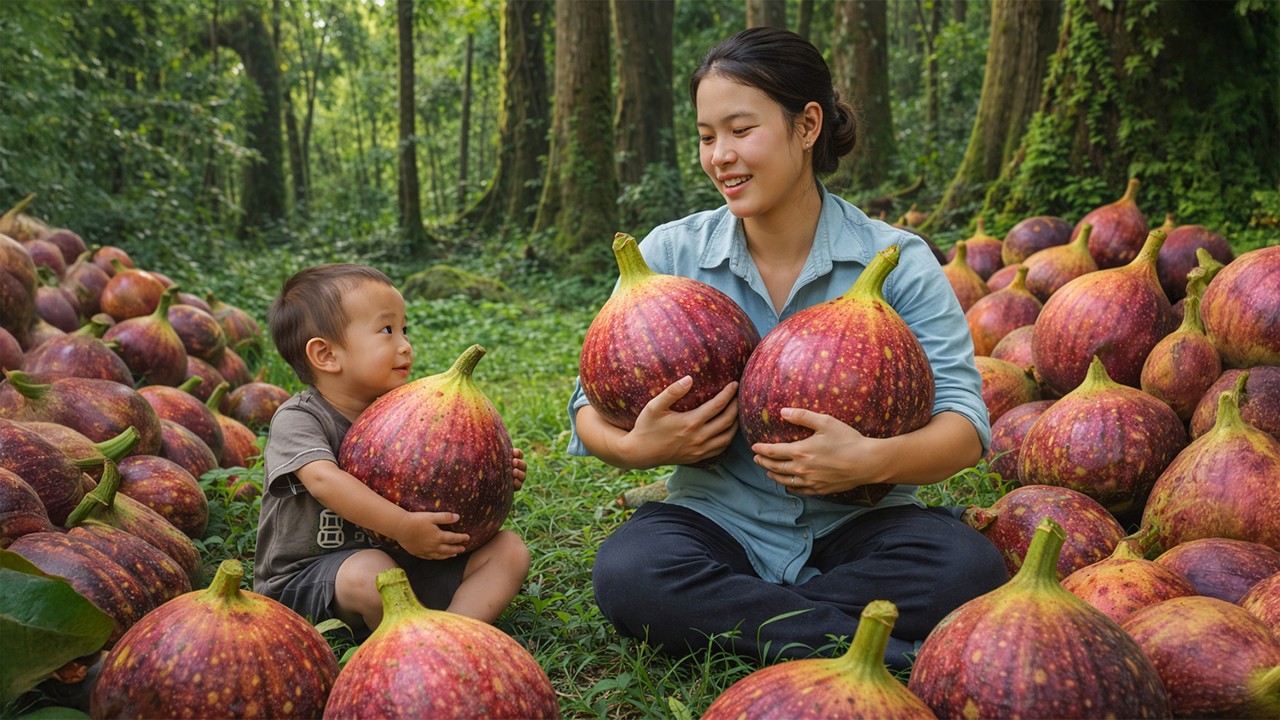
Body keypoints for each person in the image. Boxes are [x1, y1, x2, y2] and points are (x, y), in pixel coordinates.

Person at [568, 27, 1007, 671]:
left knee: (964, 567)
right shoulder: (669, 257)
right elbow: (588, 407)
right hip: (716, 520)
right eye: (706, 135)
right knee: (631, 573)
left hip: (861, 524)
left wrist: (868, 461)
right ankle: (870, 645)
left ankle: (762, 622)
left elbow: (964, 427)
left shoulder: (900, 262)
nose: (720, 155)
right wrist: (637, 448)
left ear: (807, 125)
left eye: (741, 130)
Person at [255, 263, 531, 634]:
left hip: (407, 561)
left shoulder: (408, 411)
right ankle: (412, 640)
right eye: (387, 330)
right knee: (373, 570)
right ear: (326, 355)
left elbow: (443, 473)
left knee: (510, 551)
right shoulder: (298, 419)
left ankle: (451, 635)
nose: (405, 344)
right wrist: (401, 525)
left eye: (405, 329)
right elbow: (323, 479)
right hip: (312, 578)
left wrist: (490, 474)